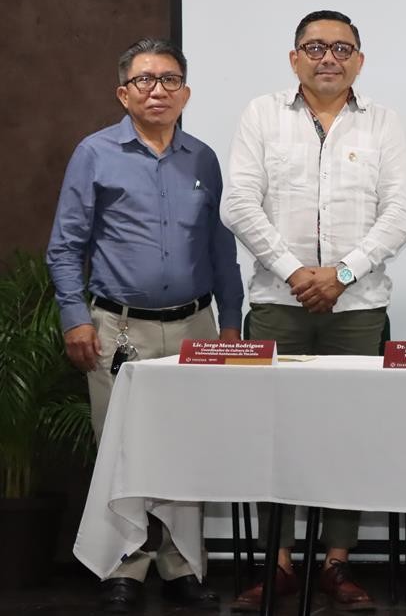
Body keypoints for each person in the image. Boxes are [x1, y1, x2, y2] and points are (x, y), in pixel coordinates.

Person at [221, 9, 406, 612]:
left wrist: (342, 275)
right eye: (314, 47)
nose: (327, 57)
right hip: (279, 304)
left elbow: (400, 213)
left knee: (348, 433)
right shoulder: (261, 114)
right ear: (293, 58)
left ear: (359, 58)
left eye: (341, 47)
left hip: (357, 306)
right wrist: (295, 272)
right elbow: (239, 204)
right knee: (273, 431)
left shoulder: (383, 122)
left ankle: (336, 563)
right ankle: (277, 564)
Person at [46, 38, 243, 613]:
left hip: (196, 329)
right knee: (122, 451)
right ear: (123, 93)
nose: (158, 90)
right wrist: (74, 318)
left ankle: (184, 569)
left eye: (170, 80)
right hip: (117, 328)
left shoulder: (203, 157)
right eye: (145, 81)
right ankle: (123, 569)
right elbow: (66, 248)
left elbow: (220, 249)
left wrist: (230, 324)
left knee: (190, 451)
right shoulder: (95, 153)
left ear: (185, 92)